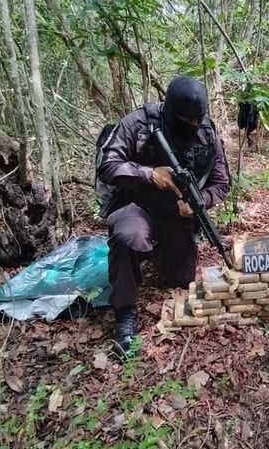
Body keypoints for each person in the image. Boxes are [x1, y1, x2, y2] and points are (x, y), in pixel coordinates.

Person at [96, 76, 231, 353]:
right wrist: (148, 174)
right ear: (170, 111)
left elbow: (222, 182)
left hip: (177, 216)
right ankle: (125, 313)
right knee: (128, 237)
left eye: (197, 120)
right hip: (137, 205)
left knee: (180, 279)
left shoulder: (207, 133)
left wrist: (199, 202)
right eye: (186, 120)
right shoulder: (140, 123)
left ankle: (158, 253)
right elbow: (108, 164)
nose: (193, 126)